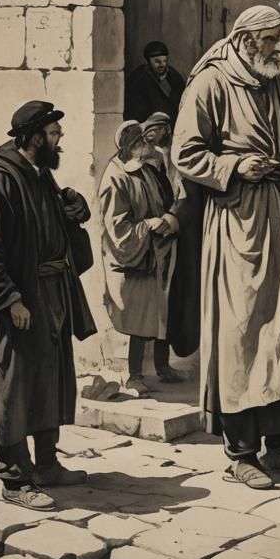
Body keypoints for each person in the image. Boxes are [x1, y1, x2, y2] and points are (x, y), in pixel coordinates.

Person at [173, 6, 280, 490]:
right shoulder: (210, 84)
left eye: (277, 39)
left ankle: (279, 445)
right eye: (267, 40)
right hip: (238, 221)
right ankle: (241, 453)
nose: (275, 48)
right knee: (243, 332)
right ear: (243, 40)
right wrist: (235, 168)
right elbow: (185, 152)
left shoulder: (279, 80)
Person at [0, 101, 97, 510]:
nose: (60, 140)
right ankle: (15, 479)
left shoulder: (39, 175)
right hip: (18, 303)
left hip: (51, 297)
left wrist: (74, 211)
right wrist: (10, 299)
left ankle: (47, 464)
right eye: (54, 134)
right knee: (14, 387)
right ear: (35, 137)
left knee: (48, 381)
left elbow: (52, 227)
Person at [98, 121, 181, 394]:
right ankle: (134, 375)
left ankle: (162, 366)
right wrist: (148, 225)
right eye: (139, 143)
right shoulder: (115, 177)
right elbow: (117, 229)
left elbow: (162, 197)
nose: (144, 147)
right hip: (132, 259)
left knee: (162, 313)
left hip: (156, 252)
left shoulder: (145, 168)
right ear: (129, 146)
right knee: (138, 317)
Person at [142, 112, 197, 369]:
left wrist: (174, 216)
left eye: (153, 130)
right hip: (160, 235)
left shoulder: (178, 155)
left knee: (176, 297)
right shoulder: (150, 158)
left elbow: (184, 194)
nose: (149, 134)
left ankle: (171, 358)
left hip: (181, 234)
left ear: (164, 129)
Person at [124, 40, 186, 123]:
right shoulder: (138, 78)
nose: (162, 65)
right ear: (149, 61)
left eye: (164, 61)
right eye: (157, 61)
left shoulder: (174, 76)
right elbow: (134, 110)